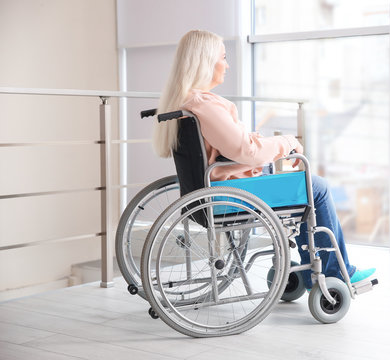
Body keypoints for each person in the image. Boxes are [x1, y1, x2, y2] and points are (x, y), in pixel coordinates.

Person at [153, 29, 375, 289]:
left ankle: (313, 269)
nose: (227, 64)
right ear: (205, 62)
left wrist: (262, 144)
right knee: (316, 187)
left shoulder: (184, 103)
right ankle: (334, 273)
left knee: (303, 188)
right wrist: (288, 142)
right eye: (223, 58)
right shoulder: (205, 105)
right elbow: (247, 152)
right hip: (229, 194)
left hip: (211, 192)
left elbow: (232, 147)